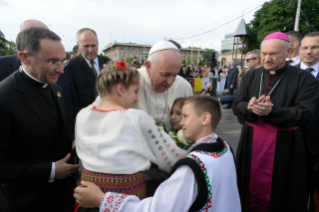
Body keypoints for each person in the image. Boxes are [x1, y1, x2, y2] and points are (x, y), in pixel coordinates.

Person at [74, 95, 241, 212]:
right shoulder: (223, 147)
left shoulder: (193, 167)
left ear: (205, 118)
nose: (181, 122)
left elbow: (158, 209)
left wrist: (101, 200)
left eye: (185, 116)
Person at [74, 61, 186, 212]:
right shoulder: (136, 118)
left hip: (87, 199)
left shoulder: (83, 115)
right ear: (120, 89)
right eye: (135, 91)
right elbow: (170, 157)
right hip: (124, 201)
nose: (136, 98)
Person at [93, 41, 193, 196]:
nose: (171, 82)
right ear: (148, 66)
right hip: (130, 172)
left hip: (171, 169)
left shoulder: (184, 86)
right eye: (165, 74)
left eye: (175, 74)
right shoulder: (125, 81)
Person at [233, 32, 318, 211]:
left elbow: (305, 114)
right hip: (251, 142)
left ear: (288, 52)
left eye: (274, 54)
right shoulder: (249, 76)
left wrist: (273, 111)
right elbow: (236, 105)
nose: (267, 58)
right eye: (264, 53)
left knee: (282, 194)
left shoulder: (305, 79)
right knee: (246, 187)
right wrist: (247, 108)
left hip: (285, 146)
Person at [0, 27, 80, 212]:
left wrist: (73, 141)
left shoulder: (56, 89)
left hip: (62, 198)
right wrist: (50, 171)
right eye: (53, 61)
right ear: (24, 57)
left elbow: (55, 132)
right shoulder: (4, 98)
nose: (60, 69)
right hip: (26, 203)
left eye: (63, 61)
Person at [57, 28, 110, 134]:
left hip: (110, 120)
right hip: (86, 124)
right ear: (79, 45)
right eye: (86, 46)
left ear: (98, 43)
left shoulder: (108, 63)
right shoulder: (69, 66)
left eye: (93, 45)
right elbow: (68, 100)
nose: (90, 50)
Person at [294, 32, 319, 210]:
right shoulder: (286, 73)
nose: (308, 51)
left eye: (314, 47)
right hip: (290, 145)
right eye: (305, 47)